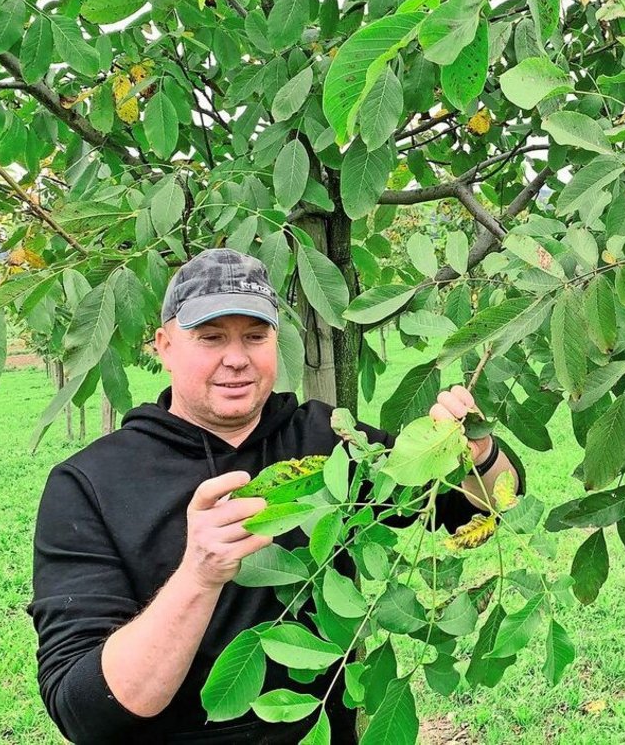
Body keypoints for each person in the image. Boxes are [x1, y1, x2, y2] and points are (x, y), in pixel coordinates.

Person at [29, 248, 524, 744]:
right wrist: (198, 575)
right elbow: (87, 714)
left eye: (255, 335)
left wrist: (475, 454)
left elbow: (476, 511)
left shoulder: (327, 440)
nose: (237, 358)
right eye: (211, 337)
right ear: (164, 346)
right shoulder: (89, 483)